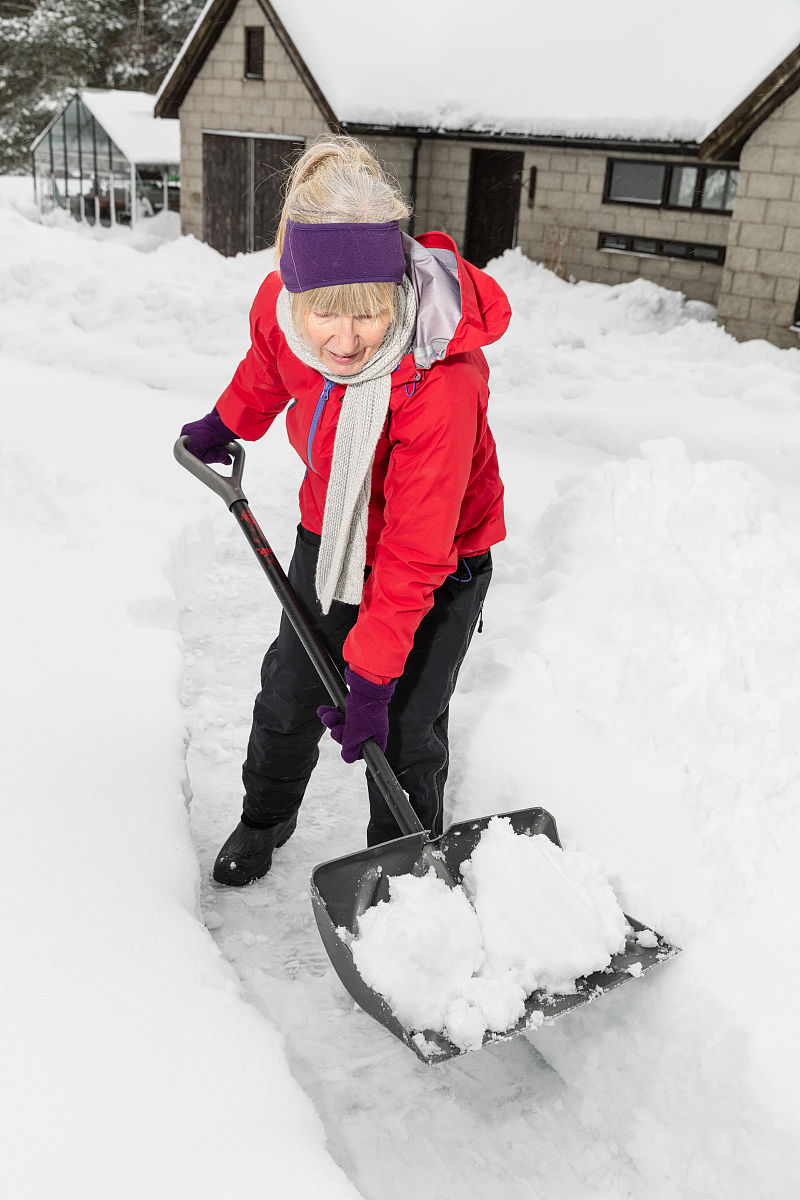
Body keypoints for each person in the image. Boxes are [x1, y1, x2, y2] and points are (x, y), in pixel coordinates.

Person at [180, 136, 510, 886]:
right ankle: (265, 817)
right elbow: (270, 366)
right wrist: (226, 422)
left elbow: (417, 546)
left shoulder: (441, 381)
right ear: (297, 296)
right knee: (290, 690)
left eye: (368, 313)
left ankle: (403, 875)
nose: (347, 338)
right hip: (330, 530)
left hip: (442, 560)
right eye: (326, 314)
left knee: (405, 725)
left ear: (396, 290)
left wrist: (373, 673)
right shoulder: (285, 309)